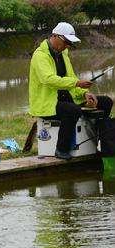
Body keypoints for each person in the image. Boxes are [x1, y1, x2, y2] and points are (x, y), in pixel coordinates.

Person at [28, 22, 113, 160]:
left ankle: (97, 143)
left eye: (70, 44)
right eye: (66, 42)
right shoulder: (40, 56)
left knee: (105, 102)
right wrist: (77, 82)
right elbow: (49, 79)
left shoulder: (64, 54)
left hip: (67, 99)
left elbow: (71, 78)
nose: (68, 46)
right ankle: (61, 149)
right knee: (71, 110)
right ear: (55, 36)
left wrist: (84, 93)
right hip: (47, 104)